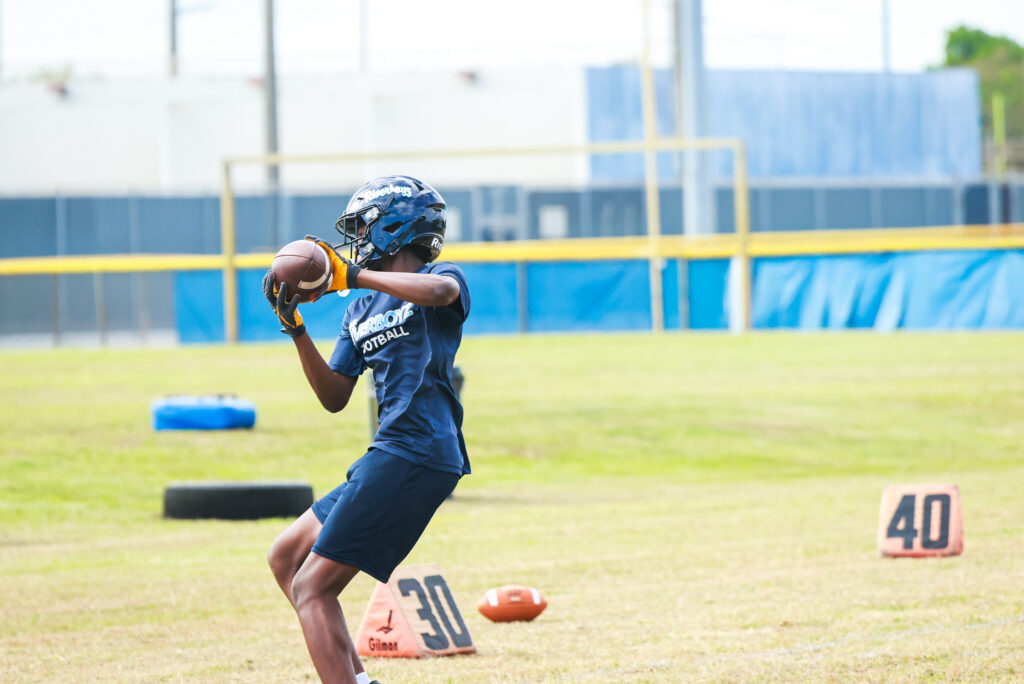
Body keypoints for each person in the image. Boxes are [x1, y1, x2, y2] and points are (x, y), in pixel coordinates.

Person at [262, 175, 471, 684]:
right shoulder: (359, 308)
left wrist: (356, 276)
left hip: (420, 448)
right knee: (287, 557)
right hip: (389, 450)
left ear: (394, 226)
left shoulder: (440, 277)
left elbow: (441, 292)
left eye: (361, 227)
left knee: (313, 587)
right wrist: (295, 329)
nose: (355, 240)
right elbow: (334, 397)